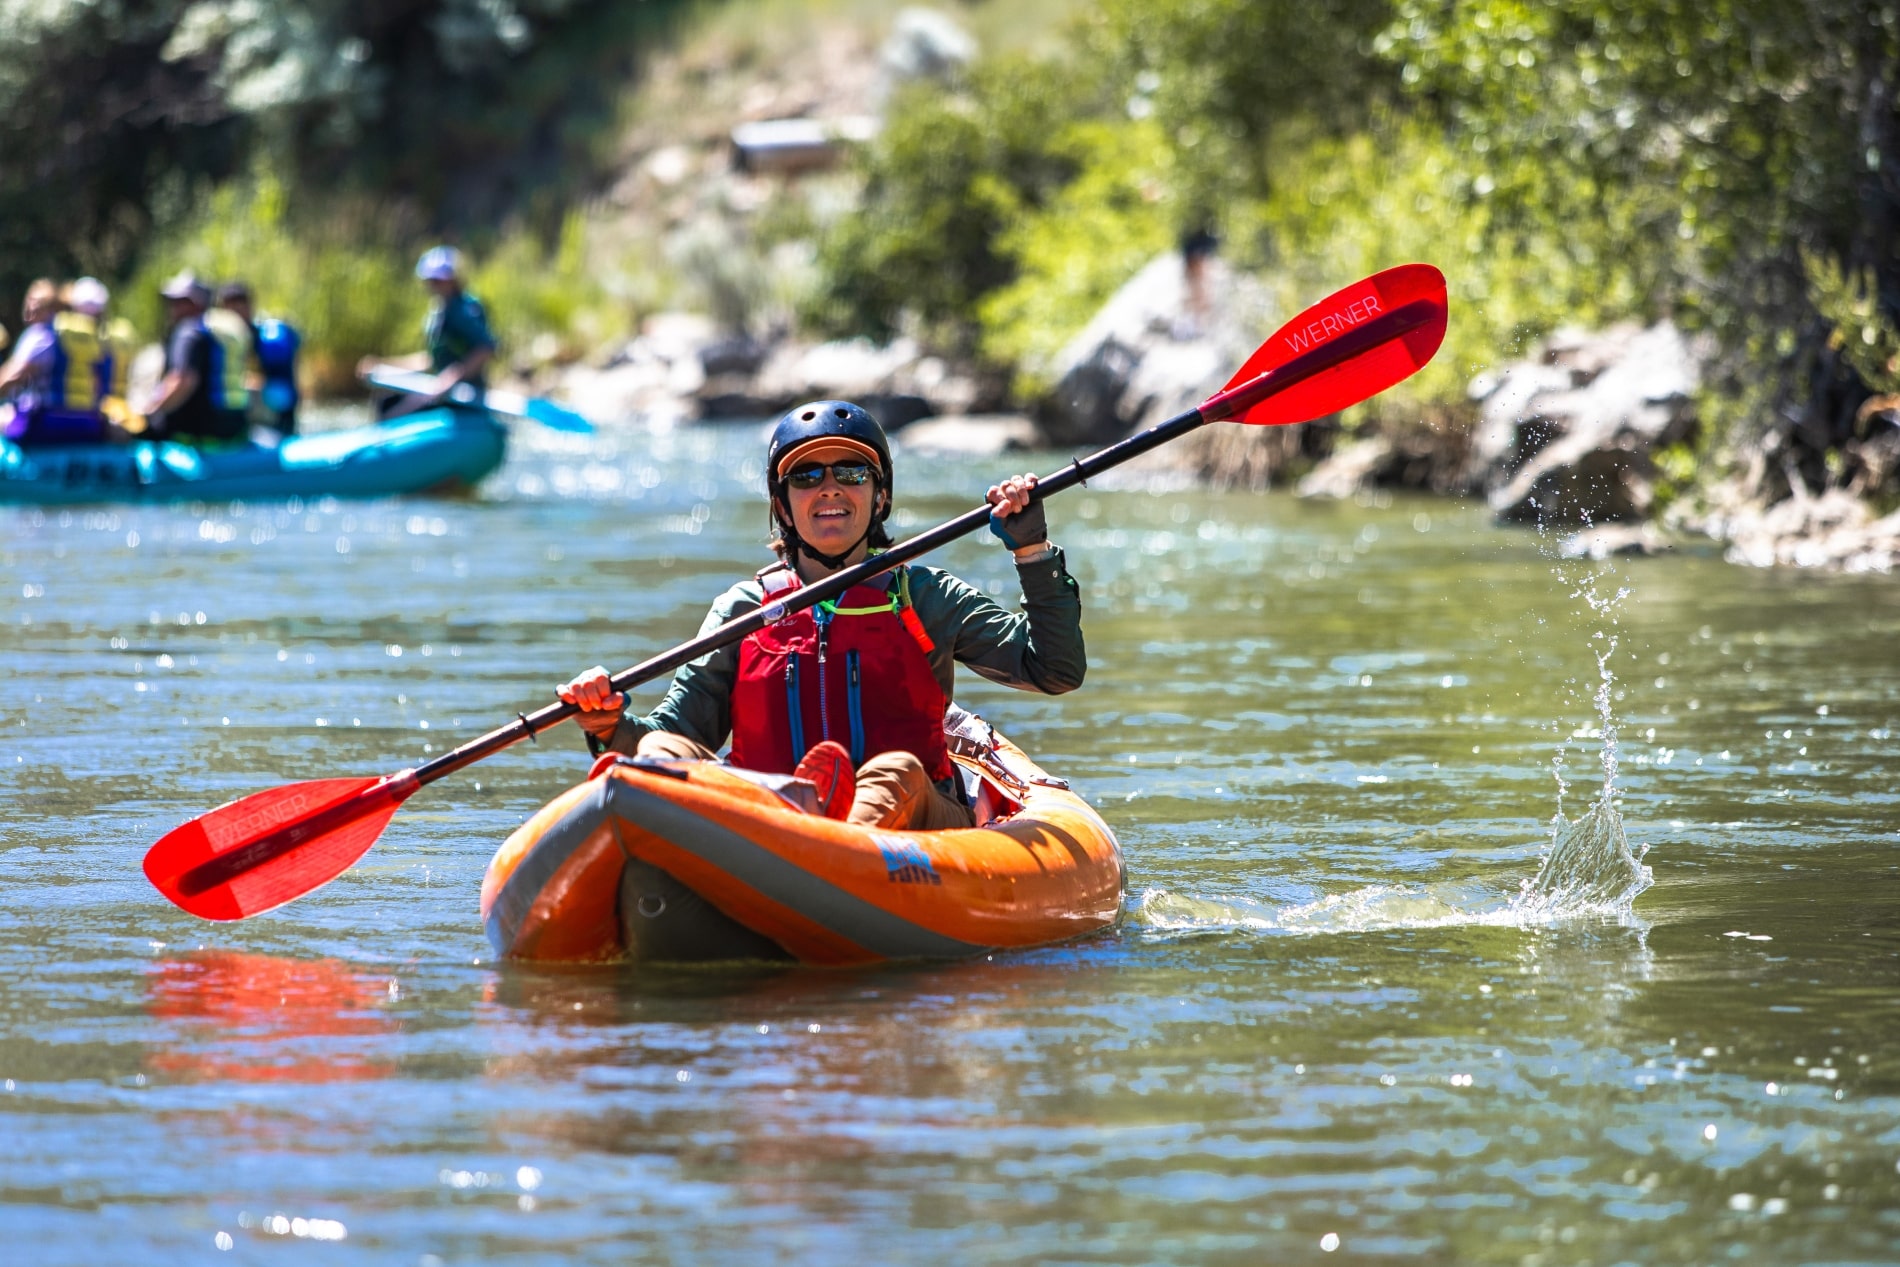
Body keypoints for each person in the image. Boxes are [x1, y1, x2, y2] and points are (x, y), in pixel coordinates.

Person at [557, 401, 1086, 830]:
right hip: (770, 815)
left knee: (894, 772)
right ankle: (770, 841)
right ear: (784, 506)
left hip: (914, 823)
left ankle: (832, 850)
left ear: (879, 499)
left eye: (851, 472)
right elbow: (670, 734)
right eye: (807, 475)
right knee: (660, 748)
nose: (829, 487)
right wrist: (607, 725)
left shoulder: (923, 597)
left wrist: (1032, 550)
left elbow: (1053, 669)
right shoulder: (744, 610)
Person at [358, 245, 495, 417]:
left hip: (465, 396)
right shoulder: (439, 313)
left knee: (397, 410)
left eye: (438, 280)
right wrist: (384, 365)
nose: (433, 285)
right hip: (442, 390)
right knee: (386, 401)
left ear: (453, 280)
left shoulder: (463, 310)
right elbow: (431, 360)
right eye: (430, 280)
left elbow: (485, 348)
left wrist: (451, 378)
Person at [0, 278, 109, 447]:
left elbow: (11, 378)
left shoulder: (41, 335)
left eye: (38, 303)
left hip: (48, 423)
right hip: (89, 424)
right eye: (30, 300)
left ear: (52, 308)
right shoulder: (93, 337)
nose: (31, 308)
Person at [143, 271, 245, 445]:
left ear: (195, 304)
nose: (173, 308)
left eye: (179, 302)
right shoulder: (216, 331)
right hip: (231, 429)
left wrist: (150, 413)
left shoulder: (188, 332)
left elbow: (183, 380)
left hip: (195, 434)